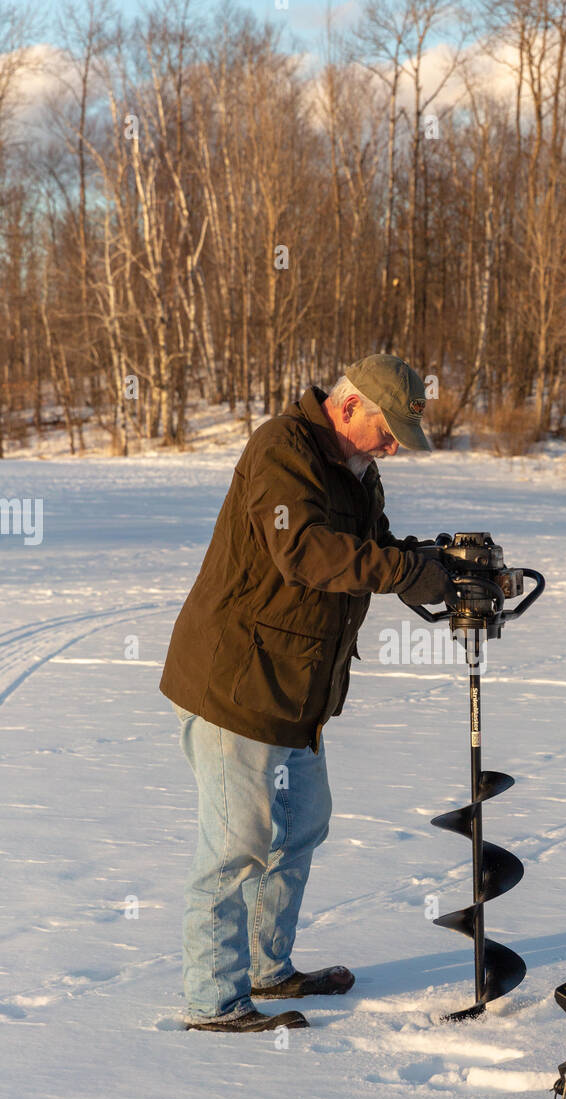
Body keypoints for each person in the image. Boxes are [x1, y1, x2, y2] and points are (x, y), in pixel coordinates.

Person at [159, 354, 456, 1032]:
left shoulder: (357, 470)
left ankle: (267, 968)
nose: (392, 448)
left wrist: (436, 566)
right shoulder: (282, 450)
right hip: (238, 682)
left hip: (296, 691)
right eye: (387, 432)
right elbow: (310, 554)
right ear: (348, 408)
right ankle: (212, 999)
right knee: (236, 845)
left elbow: (372, 549)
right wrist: (406, 569)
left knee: (300, 824)